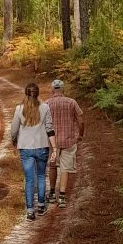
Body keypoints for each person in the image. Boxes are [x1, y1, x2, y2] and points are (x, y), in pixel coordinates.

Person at [9, 81, 56, 221]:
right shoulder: (45, 107)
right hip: (42, 146)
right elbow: (50, 128)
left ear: (26, 93)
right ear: (38, 93)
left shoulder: (19, 109)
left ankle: (30, 210)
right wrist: (55, 148)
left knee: (29, 179)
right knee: (41, 176)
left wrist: (13, 139)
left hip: (26, 147)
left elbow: (13, 128)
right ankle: (41, 205)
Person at [46, 78, 84, 207]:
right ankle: (62, 196)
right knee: (65, 168)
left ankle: (51, 194)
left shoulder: (47, 104)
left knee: (52, 166)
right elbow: (81, 121)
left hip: (52, 142)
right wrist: (80, 135)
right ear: (63, 89)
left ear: (52, 90)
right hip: (68, 140)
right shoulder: (71, 102)